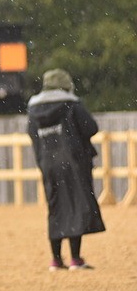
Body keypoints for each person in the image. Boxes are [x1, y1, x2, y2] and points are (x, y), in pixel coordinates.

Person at [26, 69, 106, 271]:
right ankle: (75, 259)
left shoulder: (33, 109)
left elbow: (32, 135)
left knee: (55, 207)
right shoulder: (71, 104)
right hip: (73, 163)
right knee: (75, 206)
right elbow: (91, 127)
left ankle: (55, 259)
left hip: (48, 164)